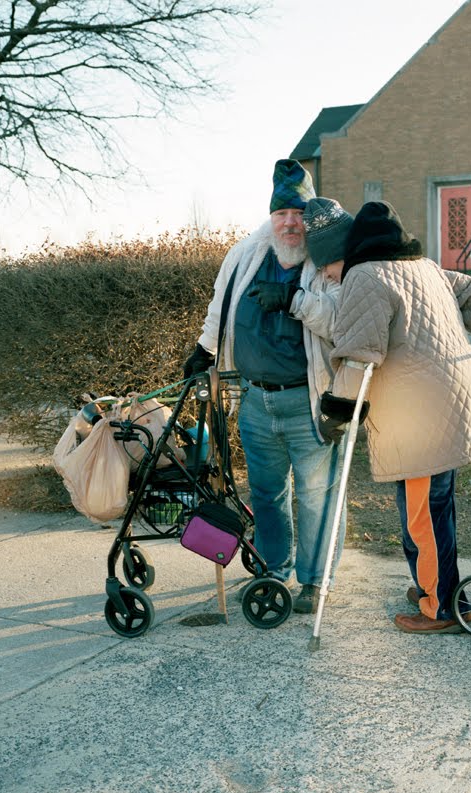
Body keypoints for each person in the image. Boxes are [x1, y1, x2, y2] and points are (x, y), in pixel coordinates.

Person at [320, 201, 471, 634]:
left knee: (423, 514)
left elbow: (358, 357)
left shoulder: (364, 276)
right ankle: (433, 585)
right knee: (433, 503)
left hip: (420, 413)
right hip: (450, 398)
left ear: (348, 252)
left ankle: (442, 608)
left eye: (327, 265)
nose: (326, 275)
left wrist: (338, 410)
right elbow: (468, 288)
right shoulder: (425, 267)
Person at [182, 161, 347, 614]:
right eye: (281, 213)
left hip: (310, 400)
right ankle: (274, 571)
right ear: (270, 216)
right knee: (266, 494)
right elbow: (221, 307)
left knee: (317, 497)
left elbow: (340, 321)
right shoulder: (245, 255)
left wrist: (294, 300)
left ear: (310, 216)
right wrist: (205, 349)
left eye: (298, 212)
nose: (290, 223)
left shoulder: (326, 260)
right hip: (256, 399)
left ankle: (315, 582)